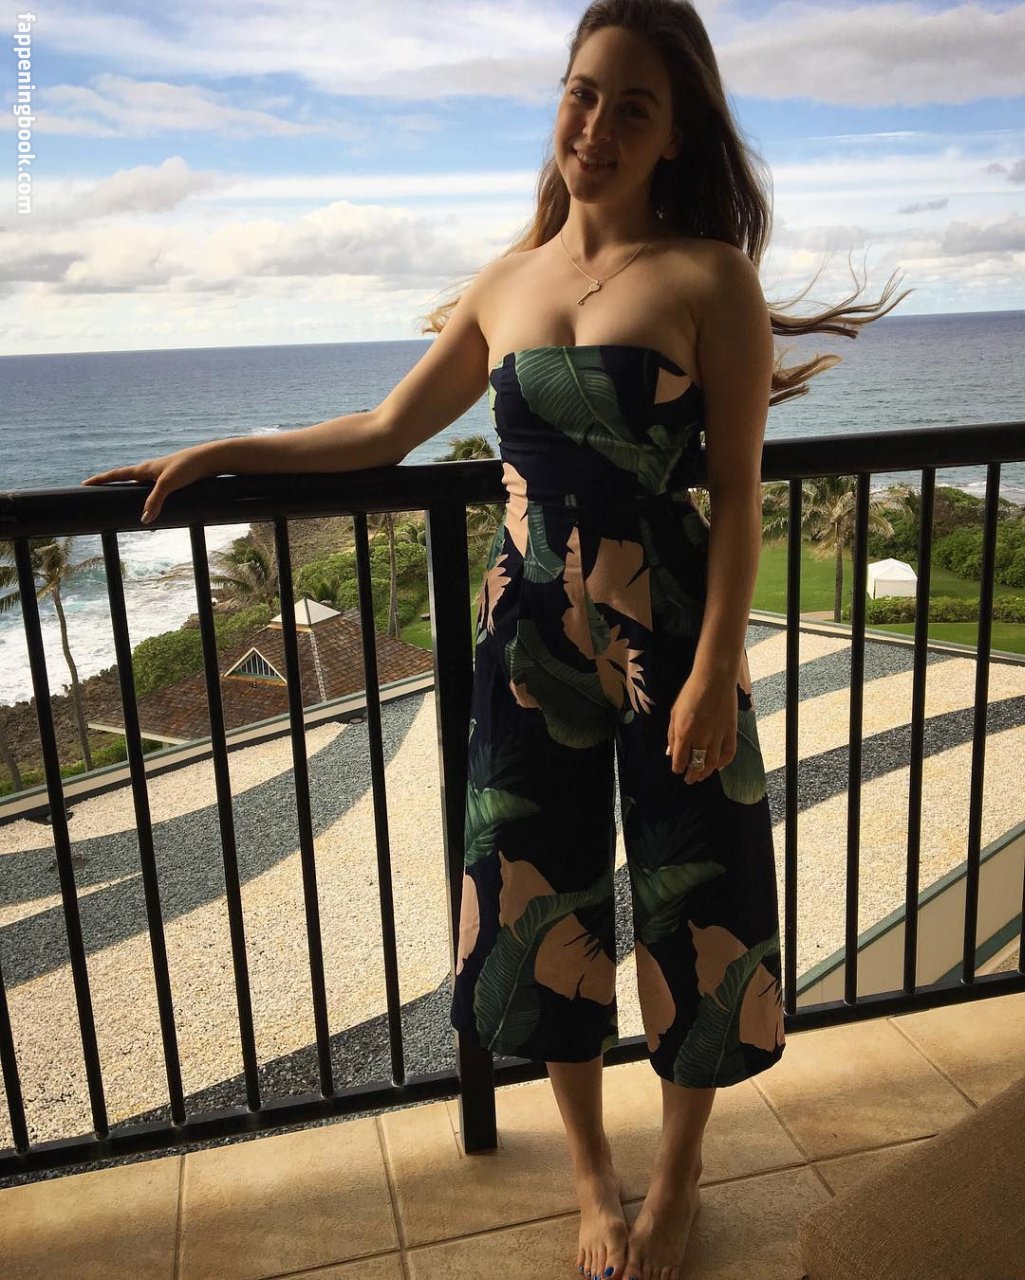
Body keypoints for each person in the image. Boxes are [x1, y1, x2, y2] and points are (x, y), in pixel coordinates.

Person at [84, 3, 910, 1276]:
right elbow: (379, 432)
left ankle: (678, 1172)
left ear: (675, 132)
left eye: (633, 106)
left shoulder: (708, 278)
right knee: (535, 892)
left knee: (695, 888)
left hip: (668, 630)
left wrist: (713, 668)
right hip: (526, 638)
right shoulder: (506, 280)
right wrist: (222, 453)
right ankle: (588, 1174)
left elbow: (739, 499)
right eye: (582, 92)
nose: (597, 125)